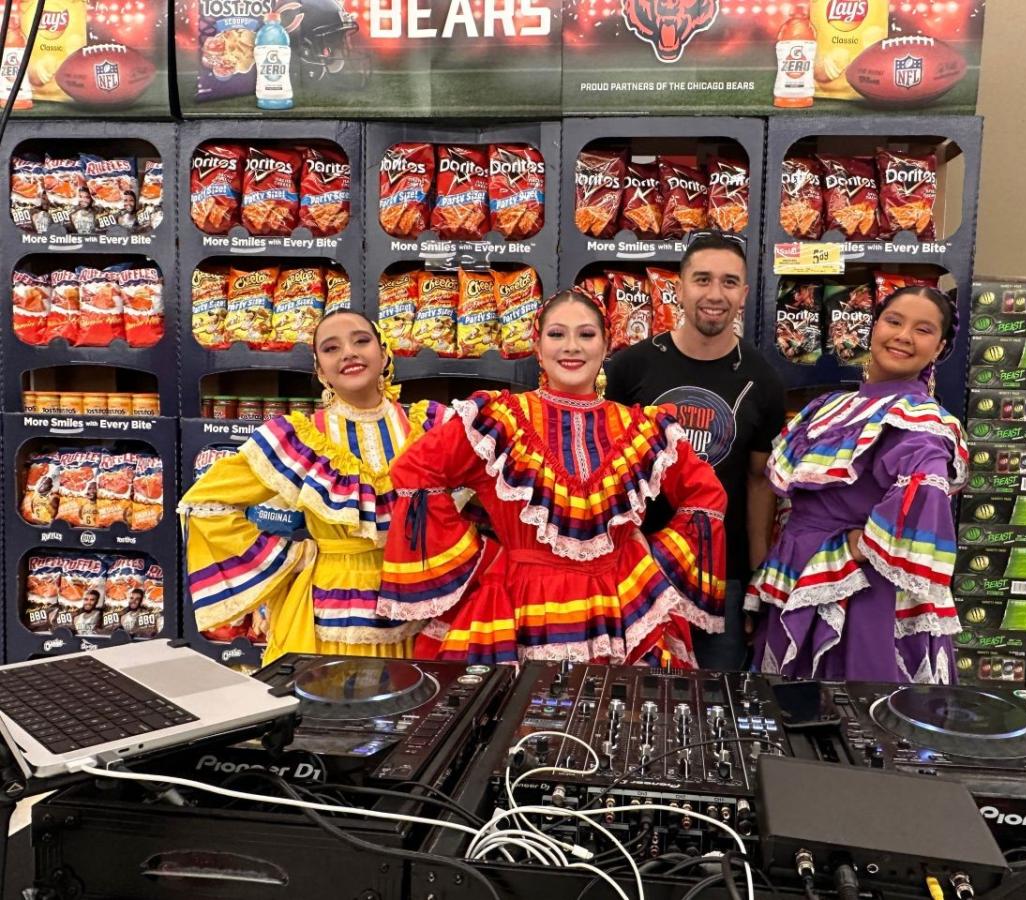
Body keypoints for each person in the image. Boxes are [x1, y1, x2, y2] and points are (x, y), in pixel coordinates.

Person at [377, 289, 727, 666]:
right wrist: (480, 559)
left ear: (606, 345)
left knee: (611, 715)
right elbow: (415, 471)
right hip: (518, 604)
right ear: (538, 347)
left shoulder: (643, 429)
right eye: (557, 334)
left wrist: (650, 561)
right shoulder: (499, 420)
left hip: (620, 603)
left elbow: (706, 496)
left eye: (587, 335)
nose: (572, 347)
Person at [179, 310, 448, 665]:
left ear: (384, 354)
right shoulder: (299, 439)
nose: (349, 353)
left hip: (420, 605)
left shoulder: (433, 427)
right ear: (321, 371)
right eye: (331, 348)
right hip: (326, 611)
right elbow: (205, 502)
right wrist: (289, 557)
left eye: (361, 341)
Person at [748, 285, 968, 683]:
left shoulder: (918, 418)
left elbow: (926, 493)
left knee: (848, 711)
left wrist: (860, 545)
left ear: (938, 349)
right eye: (894, 321)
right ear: (874, 327)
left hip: (856, 590)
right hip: (800, 569)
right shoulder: (829, 406)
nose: (902, 336)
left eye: (923, 330)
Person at [605, 232, 785, 669]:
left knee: (717, 703)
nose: (715, 294)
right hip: (637, 568)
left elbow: (758, 483)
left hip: (723, 577)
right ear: (679, 287)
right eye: (702, 280)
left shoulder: (764, 379)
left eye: (728, 282)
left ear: (743, 294)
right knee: (633, 702)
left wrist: (757, 581)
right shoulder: (630, 367)